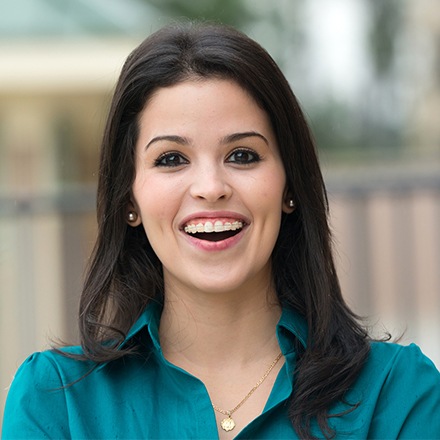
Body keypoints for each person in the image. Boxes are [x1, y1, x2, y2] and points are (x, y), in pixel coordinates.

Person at [2, 22, 440, 440]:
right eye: (171, 158)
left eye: (243, 155)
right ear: (129, 201)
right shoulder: (55, 401)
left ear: (289, 187)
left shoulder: (399, 394)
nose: (211, 188)